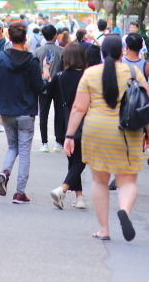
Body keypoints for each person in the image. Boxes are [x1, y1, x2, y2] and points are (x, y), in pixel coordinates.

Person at [63, 35, 149, 242]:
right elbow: (146, 105)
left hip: (96, 131)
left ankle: (104, 229)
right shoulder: (134, 72)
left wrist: (69, 135)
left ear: (102, 53)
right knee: (127, 180)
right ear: (122, 52)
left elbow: (78, 108)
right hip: (128, 131)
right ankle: (124, 211)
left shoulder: (90, 73)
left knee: (99, 181)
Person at [0, 20, 42, 204]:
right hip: (26, 112)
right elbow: (39, 87)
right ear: (25, 37)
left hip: (6, 110)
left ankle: (5, 171)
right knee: (24, 152)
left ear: (9, 36)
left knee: (12, 147)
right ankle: (19, 193)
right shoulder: (32, 61)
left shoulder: (1, 58)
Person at [49, 42, 89, 210]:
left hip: (64, 123)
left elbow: (47, 93)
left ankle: (79, 197)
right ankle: (63, 189)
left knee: (73, 160)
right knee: (81, 160)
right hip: (85, 123)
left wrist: (46, 72)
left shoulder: (59, 76)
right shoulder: (88, 76)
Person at [34, 24, 65, 153]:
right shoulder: (62, 51)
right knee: (59, 114)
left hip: (42, 86)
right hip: (58, 86)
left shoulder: (37, 51)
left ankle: (44, 143)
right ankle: (58, 142)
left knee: (43, 114)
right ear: (55, 36)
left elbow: (34, 70)